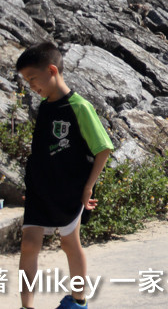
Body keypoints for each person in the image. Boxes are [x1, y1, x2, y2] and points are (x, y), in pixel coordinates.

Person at [16, 42, 113, 309]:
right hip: (40, 190)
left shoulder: (79, 106)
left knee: (70, 244)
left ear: (52, 70)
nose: (31, 86)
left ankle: (78, 301)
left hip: (69, 190)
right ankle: (27, 306)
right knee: (29, 244)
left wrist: (88, 188)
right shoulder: (45, 106)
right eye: (27, 81)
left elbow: (103, 148)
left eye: (33, 79)